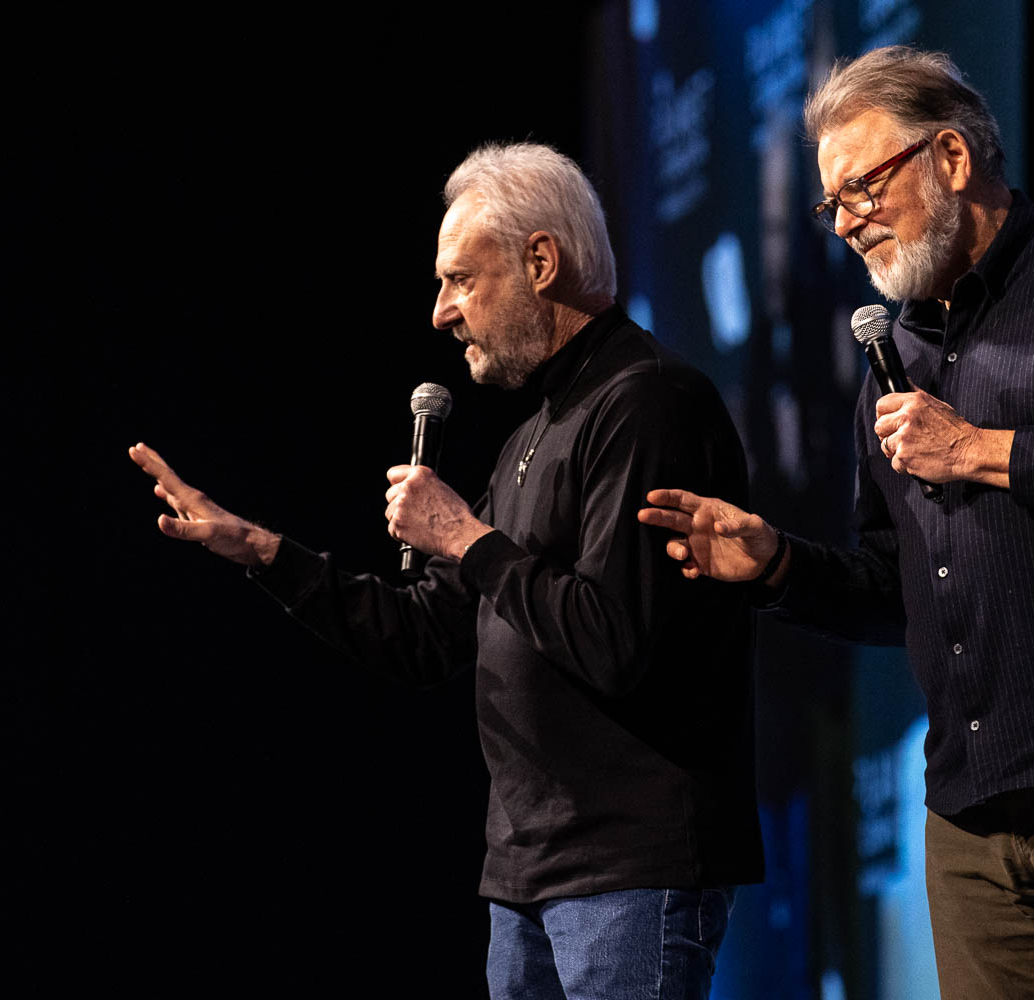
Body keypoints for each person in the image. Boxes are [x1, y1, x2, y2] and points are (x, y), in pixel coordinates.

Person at [639, 47, 1034, 999]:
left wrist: (983, 450)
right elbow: (899, 584)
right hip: (970, 820)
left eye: (861, 187)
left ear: (953, 158)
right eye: (830, 206)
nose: (845, 225)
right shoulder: (897, 360)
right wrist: (776, 566)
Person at [130, 141, 762, 1000]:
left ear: (542, 262)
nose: (441, 313)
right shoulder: (527, 438)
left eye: (462, 280)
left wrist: (468, 538)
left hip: (630, 866)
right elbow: (425, 638)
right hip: (526, 878)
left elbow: (619, 641)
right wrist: (264, 554)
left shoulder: (649, 403)